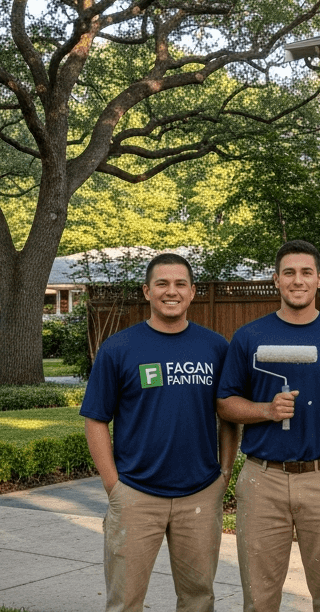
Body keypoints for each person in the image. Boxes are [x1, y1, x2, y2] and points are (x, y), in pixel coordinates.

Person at [80, 253, 238, 612]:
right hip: (136, 494)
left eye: (180, 283)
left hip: (199, 494)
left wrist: (224, 474)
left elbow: (229, 415)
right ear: (147, 291)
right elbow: (95, 419)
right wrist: (113, 485)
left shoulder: (215, 347)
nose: (172, 291)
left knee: (199, 599)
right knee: (125, 601)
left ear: (193, 292)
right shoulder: (119, 348)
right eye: (162, 283)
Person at [216, 239, 320, 612]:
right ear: (276, 281)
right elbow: (225, 403)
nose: (297, 280)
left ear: (319, 280)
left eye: (306, 273)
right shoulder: (250, 337)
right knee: (260, 597)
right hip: (263, 479)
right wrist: (266, 410)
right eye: (289, 273)